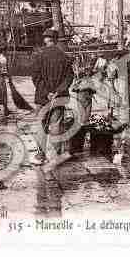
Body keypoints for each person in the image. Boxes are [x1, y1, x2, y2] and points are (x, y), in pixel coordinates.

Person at [31, 30, 74, 165]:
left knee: (41, 125)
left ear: (45, 40)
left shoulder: (39, 55)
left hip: (43, 97)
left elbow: (36, 77)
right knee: (56, 124)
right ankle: (55, 156)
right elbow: (69, 77)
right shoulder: (64, 57)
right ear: (56, 40)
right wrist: (57, 92)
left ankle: (40, 155)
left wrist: (47, 92)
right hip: (59, 97)